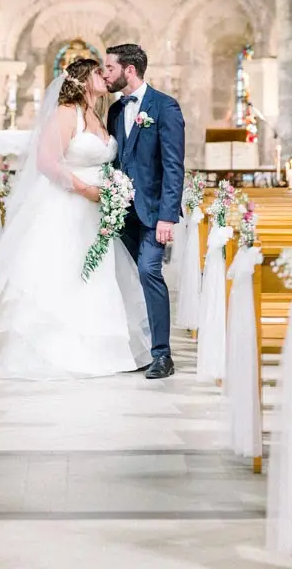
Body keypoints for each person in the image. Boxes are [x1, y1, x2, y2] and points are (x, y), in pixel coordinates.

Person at [0, 58, 151, 379]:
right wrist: (86, 189)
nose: (105, 77)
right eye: (99, 72)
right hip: (66, 204)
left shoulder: (97, 115)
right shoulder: (66, 112)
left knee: (95, 274)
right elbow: (47, 162)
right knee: (62, 268)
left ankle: (102, 350)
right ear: (83, 80)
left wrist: (113, 188)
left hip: (97, 209)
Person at [104, 44, 185, 380]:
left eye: (109, 68)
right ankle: (130, 347)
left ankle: (162, 355)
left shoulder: (164, 107)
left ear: (130, 70)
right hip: (120, 214)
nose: (105, 74)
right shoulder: (113, 111)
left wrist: (167, 216)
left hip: (152, 212)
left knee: (149, 272)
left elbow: (173, 165)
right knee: (120, 278)